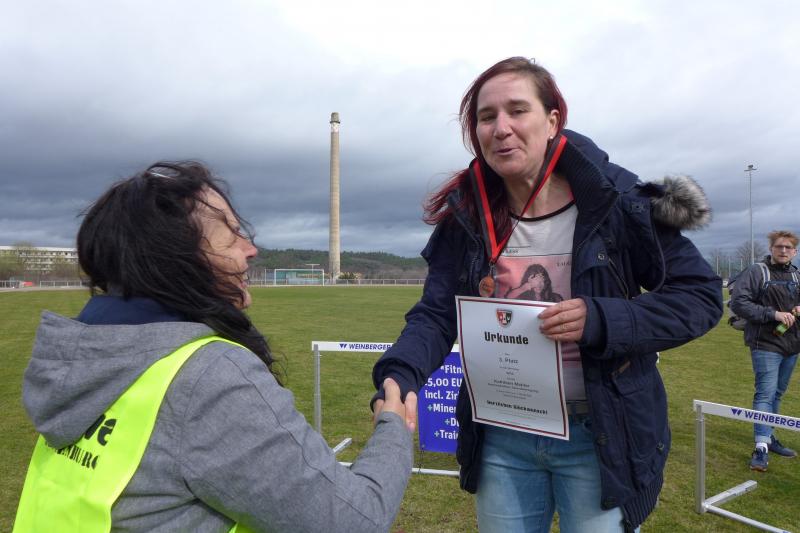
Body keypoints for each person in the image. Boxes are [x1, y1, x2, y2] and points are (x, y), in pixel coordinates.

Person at [371, 57, 722, 532]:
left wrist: (601, 319)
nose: (501, 128)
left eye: (518, 110)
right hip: (501, 434)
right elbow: (436, 315)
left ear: (553, 120)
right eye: (486, 117)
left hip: (597, 436)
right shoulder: (468, 214)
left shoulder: (616, 201)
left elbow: (700, 297)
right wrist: (401, 373)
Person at [14, 162, 413, 532]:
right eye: (232, 235)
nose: (251, 249)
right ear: (178, 257)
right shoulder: (209, 379)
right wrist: (393, 425)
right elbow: (354, 521)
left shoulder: (81, 360)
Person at [730, 230, 800, 472]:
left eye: (788, 247)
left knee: (777, 394)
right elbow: (739, 303)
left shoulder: (796, 274)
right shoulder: (757, 271)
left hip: (792, 344)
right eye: (779, 246)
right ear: (771, 249)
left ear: (795, 252)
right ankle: (760, 447)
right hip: (766, 343)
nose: (783, 250)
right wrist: (773, 314)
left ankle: (769, 437)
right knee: (765, 394)